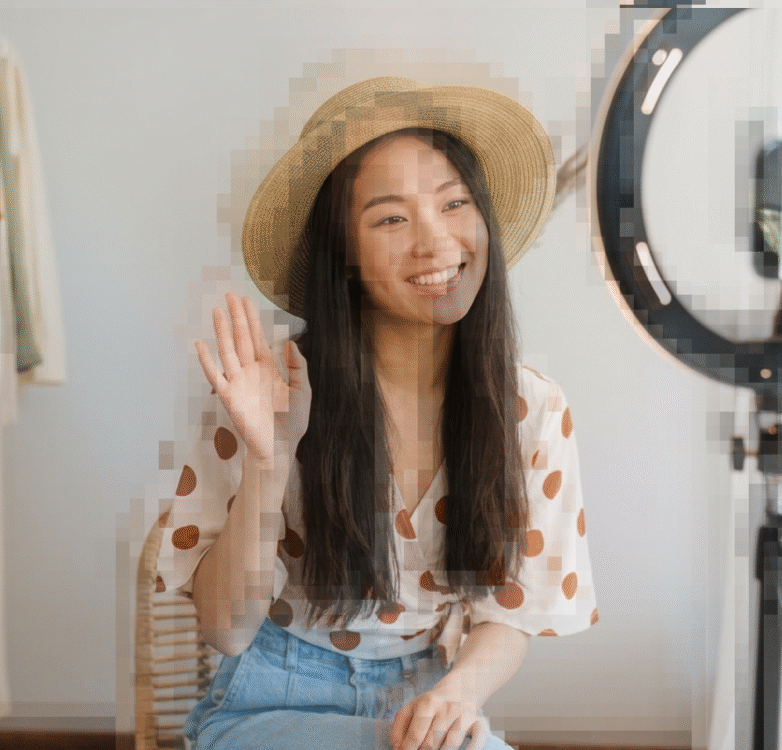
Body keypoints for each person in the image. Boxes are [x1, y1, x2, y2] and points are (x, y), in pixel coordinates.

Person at [156, 77, 597, 750]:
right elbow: (226, 628)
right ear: (345, 256)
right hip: (269, 700)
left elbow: (511, 615)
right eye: (392, 219)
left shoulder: (531, 409)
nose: (436, 243)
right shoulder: (268, 388)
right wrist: (270, 460)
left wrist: (457, 695)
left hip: (421, 697)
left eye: (455, 204)